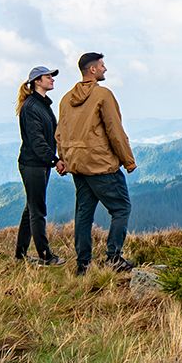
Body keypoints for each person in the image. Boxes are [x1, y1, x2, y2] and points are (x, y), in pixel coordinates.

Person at [56, 52, 136, 276]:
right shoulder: (103, 95)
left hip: (77, 166)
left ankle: (83, 265)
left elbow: (60, 133)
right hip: (101, 165)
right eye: (102, 65)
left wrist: (63, 158)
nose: (105, 69)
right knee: (121, 208)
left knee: (83, 214)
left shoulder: (65, 99)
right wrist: (128, 160)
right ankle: (113, 258)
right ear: (92, 69)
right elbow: (115, 131)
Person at [14, 66, 66, 266]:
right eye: (48, 77)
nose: (52, 79)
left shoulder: (42, 105)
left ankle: (20, 255)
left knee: (31, 209)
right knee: (38, 211)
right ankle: (46, 256)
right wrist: (54, 161)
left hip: (38, 164)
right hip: (33, 165)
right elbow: (37, 142)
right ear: (37, 81)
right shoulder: (31, 107)